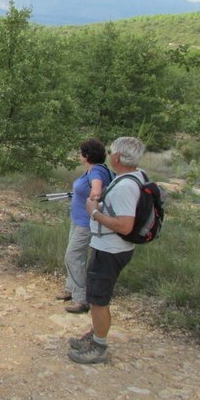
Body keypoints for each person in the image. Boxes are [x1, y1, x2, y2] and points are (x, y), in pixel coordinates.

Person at [70, 136, 146, 365]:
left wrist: (95, 212)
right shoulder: (134, 176)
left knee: (99, 299)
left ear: (118, 157)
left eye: (113, 151)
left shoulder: (125, 186)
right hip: (110, 246)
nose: (110, 154)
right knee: (96, 296)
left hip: (111, 249)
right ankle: (95, 335)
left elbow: (125, 225)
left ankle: (99, 346)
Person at [58, 138, 112, 314]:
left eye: (80, 152)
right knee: (73, 254)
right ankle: (70, 289)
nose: (79, 155)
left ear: (86, 155)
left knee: (73, 256)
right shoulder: (92, 170)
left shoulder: (97, 171)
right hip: (78, 219)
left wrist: (93, 199)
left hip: (86, 222)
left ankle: (81, 299)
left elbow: (96, 190)